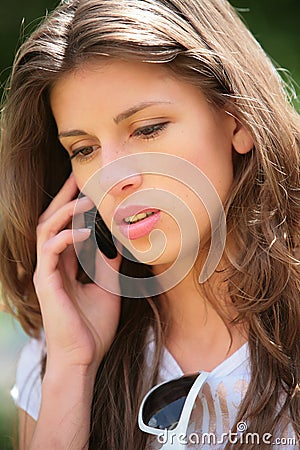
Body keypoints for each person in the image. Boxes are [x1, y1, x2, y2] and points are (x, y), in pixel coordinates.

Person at [0, 0, 299, 449]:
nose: (113, 177)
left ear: (237, 119)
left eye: (149, 128)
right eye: (83, 150)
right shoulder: (58, 357)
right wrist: (73, 368)